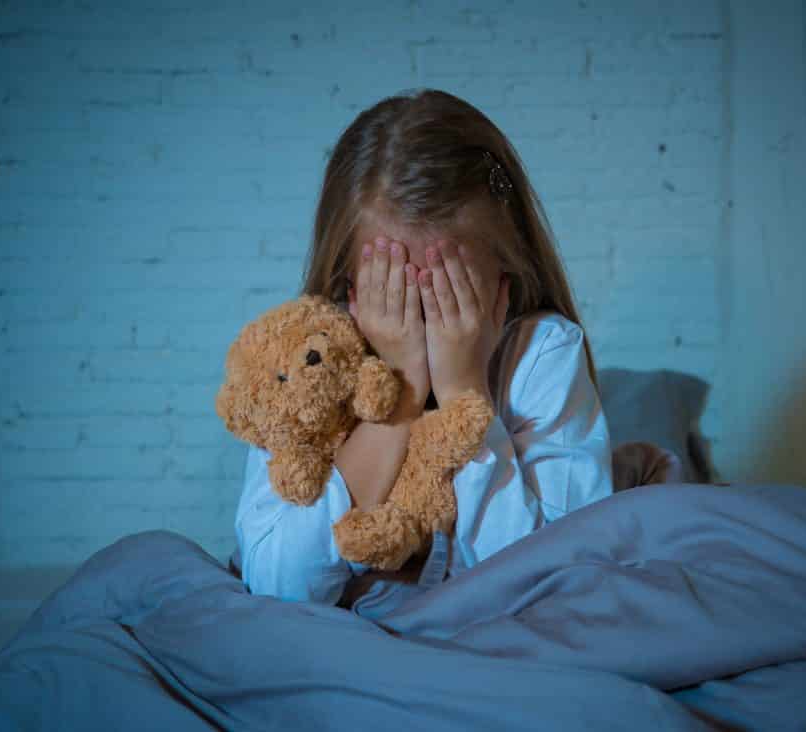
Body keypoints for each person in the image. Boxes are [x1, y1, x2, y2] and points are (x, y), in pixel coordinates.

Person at [233, 88, 613, 612]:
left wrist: (464, 393)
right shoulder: (304, 366)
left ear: (506, 270)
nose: (423, 318)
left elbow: (559, 584)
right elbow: (278, 589)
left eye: (450, 289)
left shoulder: (544, 354)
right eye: (395, 289)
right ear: (348, 282)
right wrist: (401, 391)